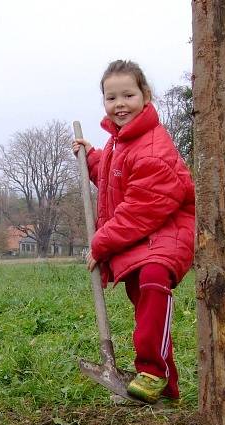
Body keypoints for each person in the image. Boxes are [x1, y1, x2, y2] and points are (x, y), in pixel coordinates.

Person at [73, 60, 195, 404]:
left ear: (146, 95)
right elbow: (115, 180)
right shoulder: (119, 143)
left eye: (128, 94)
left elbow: (143, 207)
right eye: (111, 98)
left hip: (162, 238)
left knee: (153, 289)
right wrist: (92, 159)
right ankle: (165, 387)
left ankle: (152, 372)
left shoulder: (153, 145)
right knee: (146, 314)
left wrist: (100, 243)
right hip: (138, 243)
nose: (119, 103)